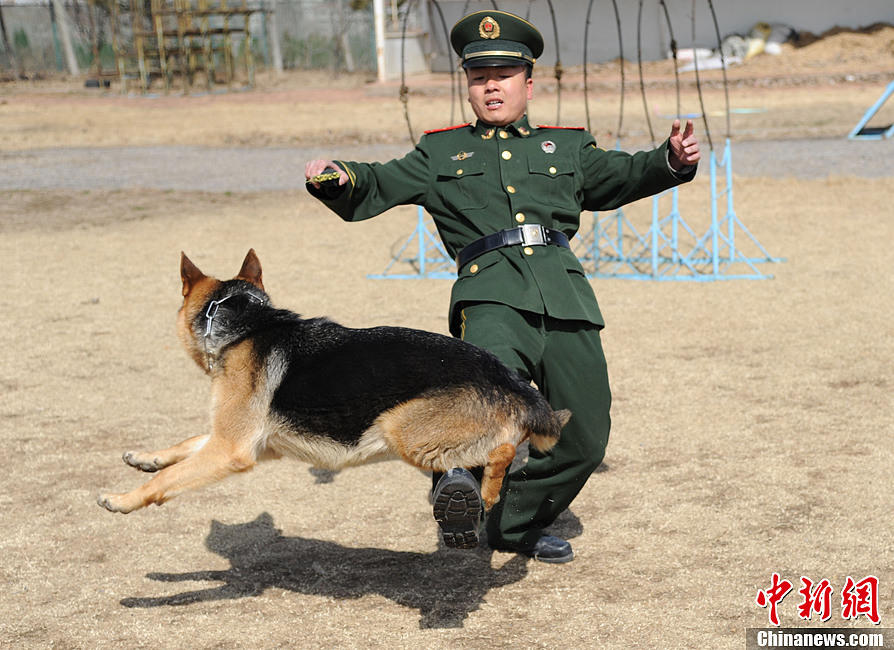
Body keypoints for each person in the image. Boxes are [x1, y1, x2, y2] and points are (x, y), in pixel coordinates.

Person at [305, 10, 700, 563]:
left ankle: (511, 525)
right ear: (468, 86)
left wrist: (670, 161)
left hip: (565, 297)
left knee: (583, 437)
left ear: (528, 83)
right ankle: (454, 485)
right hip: (489, 292)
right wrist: (338, 176)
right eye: (479, 76)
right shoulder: (440, 153)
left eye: (505, 75)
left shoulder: (567, 147)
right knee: (486, 393)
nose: (491, 85)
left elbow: (625, 173)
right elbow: (378, 181)